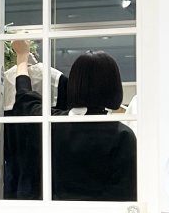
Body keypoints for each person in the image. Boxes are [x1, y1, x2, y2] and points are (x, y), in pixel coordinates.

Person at [8, 41, 136, 202]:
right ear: (115, 86)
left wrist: (22, 57)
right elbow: (127, 194)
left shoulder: (50, 123)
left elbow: (24, 95)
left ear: (74, 84)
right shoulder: (123, 136)